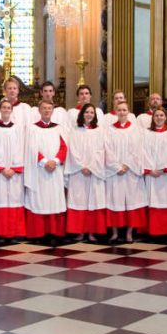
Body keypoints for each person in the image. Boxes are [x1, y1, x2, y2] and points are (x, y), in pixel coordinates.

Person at [24, 100, 67, 243]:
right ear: (39, 110)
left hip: (55, 169)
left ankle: (54, 232)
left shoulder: (59, 128)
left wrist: (54, 161)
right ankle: (38, 233)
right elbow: (30, 148)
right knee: (39, 200)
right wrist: (43, 162)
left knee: (54, 198)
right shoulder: (32, 128)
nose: (47, 111)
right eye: (44, 108)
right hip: (39, 170)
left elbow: (64, 147)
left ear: (53, 110)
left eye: (49, 108)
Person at [104, 101, 147, 243]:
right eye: (119, 110)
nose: (122, 112)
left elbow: (137, 150)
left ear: (128, 112)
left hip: (130, 172)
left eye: (124, 110)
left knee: (131, 201)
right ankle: (115, 233)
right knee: (114, 200)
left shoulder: (135, 130)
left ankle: (129, 233)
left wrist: (127, 165)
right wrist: (117, 167)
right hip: (115, 172)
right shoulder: (109, 130)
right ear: (115, 111)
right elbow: (107, 150)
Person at [65, 103, 107, 242]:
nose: (89, 114)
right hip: (79, 172)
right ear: (82, 114)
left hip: (94, 172)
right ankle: (80, 232)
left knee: (93, 200)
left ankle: (92, 232)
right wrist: (81, 166)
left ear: (94, 115)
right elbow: (72, 150)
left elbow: (101, 151)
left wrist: (92, 167)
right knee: (79, 201)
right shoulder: (75, 130)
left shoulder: (100, 131)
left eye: (91, 112)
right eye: (87, 112)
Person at [0, 99, 26, 240]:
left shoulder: (17, 128)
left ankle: (14, 232)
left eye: (8, 108)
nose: (6, 110)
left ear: (11, 110)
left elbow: (20, 147)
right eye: (3, 107)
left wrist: (14, 168)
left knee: (14, 199)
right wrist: (1, 168)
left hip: (14, 172)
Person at [143, 107, 167, 237]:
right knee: (151, 201)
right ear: (153, 118)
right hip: (151, 173)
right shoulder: (146, 133)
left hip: (165, 174)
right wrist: (150, 169)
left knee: (166, 201)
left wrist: (163, 168)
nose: (159, 118)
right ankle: (151, 232)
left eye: (161, 115)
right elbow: (143, 151)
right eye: (156, 115)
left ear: (166, 118)